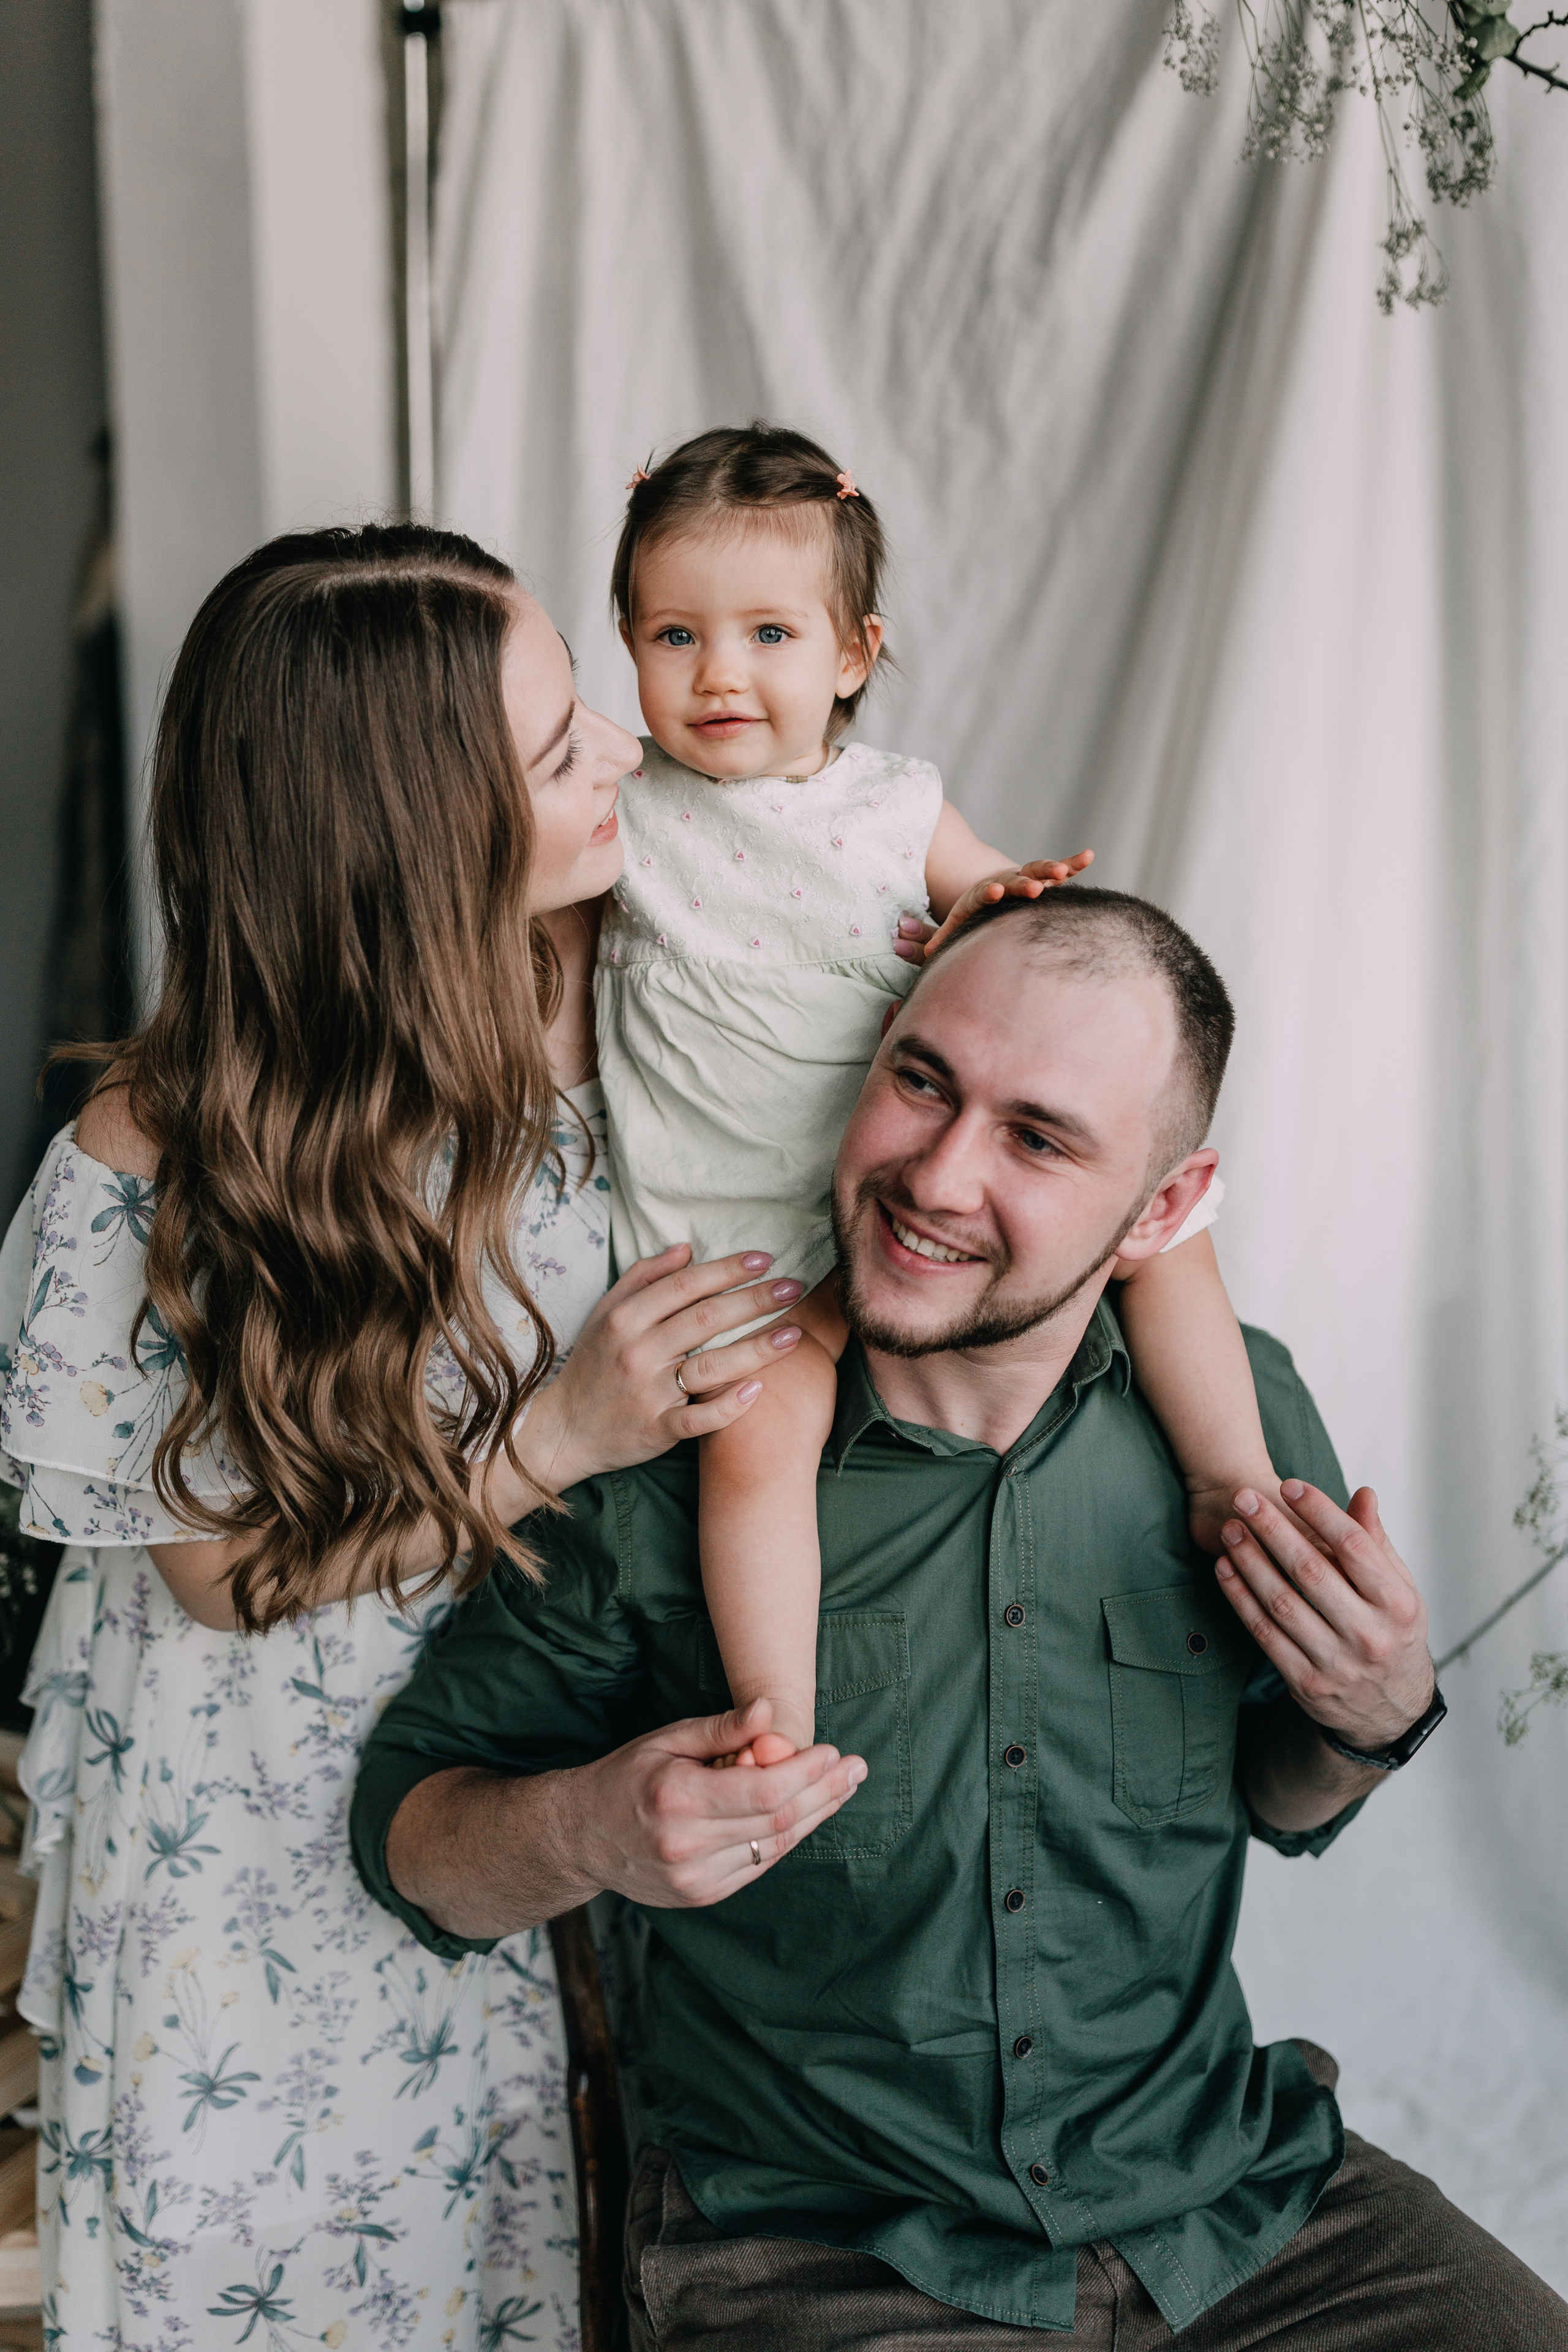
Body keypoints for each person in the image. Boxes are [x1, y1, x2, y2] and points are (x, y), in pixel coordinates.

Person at [353, 887, 1566, 2351]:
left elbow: (1277, 1797)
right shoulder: (675, 1451)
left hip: (1230, 2208)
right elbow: (412, 1844)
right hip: (820, 2254)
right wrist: (586, 1832)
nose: (933, 1176)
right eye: (921, 1082)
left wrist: (1366, 1720)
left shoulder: (1234, 1420)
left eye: (1038, 1138)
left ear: (1166, 1208)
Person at [0, 523, 807, 2350]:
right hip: (252, 1825)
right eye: (554, 748)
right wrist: (559, 1433)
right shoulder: (151, 1162)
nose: (621, 750)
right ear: (407, 840)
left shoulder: (608, 970)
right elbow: (221, 1583)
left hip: (516, 1743)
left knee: (517, 2263)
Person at [597, 422, 1286, 1767]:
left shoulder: (891, 807)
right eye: (673, 636)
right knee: (756, 1450)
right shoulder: (631, 809)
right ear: (626, 643)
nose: (719, 673)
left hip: (911, 1202)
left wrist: (998, 898)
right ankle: (775, 1711)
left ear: (853, 652)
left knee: (1157, 1227)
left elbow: (987, 894)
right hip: (752, 1257)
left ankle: (1229, 1480)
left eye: (768, 637)